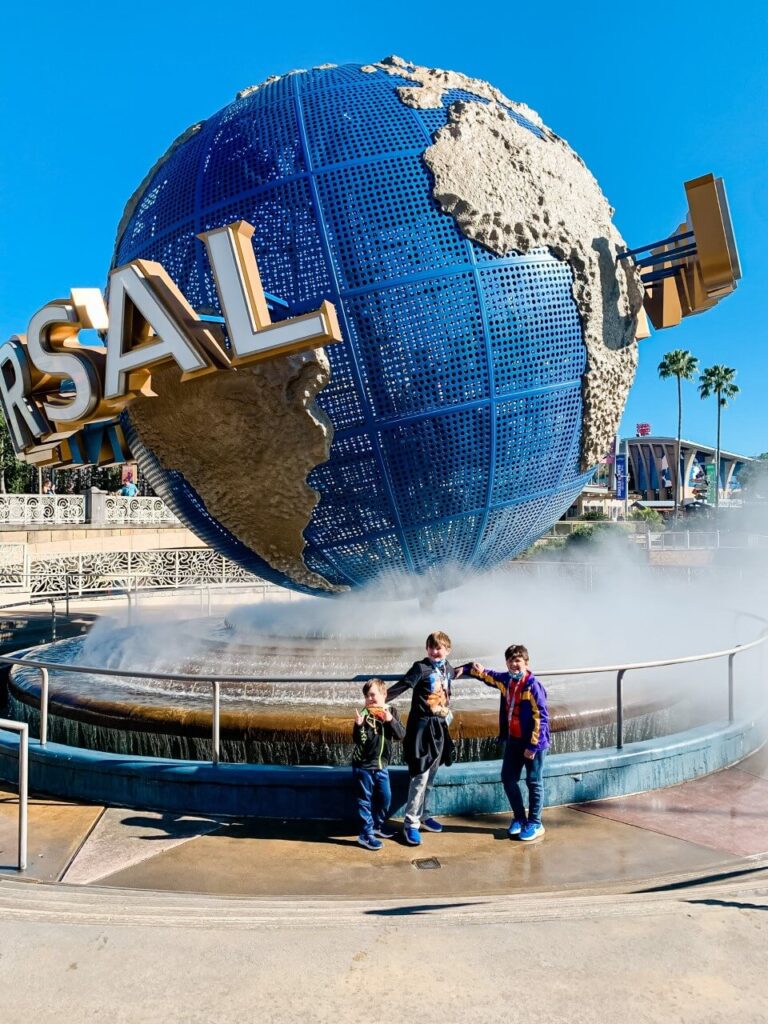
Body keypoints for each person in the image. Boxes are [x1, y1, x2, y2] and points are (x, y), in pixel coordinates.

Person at [464, 644, 549, 841]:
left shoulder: (533, 686)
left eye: (518, 660)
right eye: (511, 660)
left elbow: (542, 719)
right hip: (514, 740)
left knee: (534, 781)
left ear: (526, 663)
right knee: (508, 778)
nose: (514, 664)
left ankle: (535, 823)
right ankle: (520, 818)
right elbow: (486, 674)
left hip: (533, 743)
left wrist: (532, 746)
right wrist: (466, 668)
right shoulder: (506, 681)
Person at [386, 631, 462, 847]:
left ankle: (425, 815)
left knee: (432, 774)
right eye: (431, 647)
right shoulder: (421, 667)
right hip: (421, 729)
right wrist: (381, 698)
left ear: (448, 650)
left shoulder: (447, 668)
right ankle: (411, 824)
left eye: (438, 648)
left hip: (440, 727)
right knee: (420, 776)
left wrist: (471, 668)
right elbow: (403, 685)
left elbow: (455, 674)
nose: (434, 652)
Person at [351, 678, 405, 851]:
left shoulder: (392, 712)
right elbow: (360, 741)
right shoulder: (364, 715)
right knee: (364, 801)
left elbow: (400, 735)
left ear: (384, 694)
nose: (369, 699)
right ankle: (365, 835)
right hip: (364, 766)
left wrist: (390, 720)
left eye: (373, 695)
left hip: (382, 766)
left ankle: (377, 825)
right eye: (367, 696)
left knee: (386, 798)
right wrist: (359, 727)